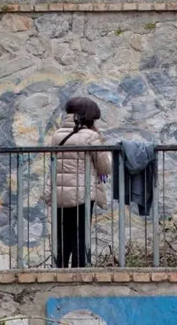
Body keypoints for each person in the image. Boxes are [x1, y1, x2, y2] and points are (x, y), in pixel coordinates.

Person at [51, 96, 111, 268]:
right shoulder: (91, 136)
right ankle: (80, 271)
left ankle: (58, 270)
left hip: (60, 192)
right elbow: (104, 168)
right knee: (80, 234)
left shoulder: (57, 135)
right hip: (82, 192)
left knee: (62, 234)